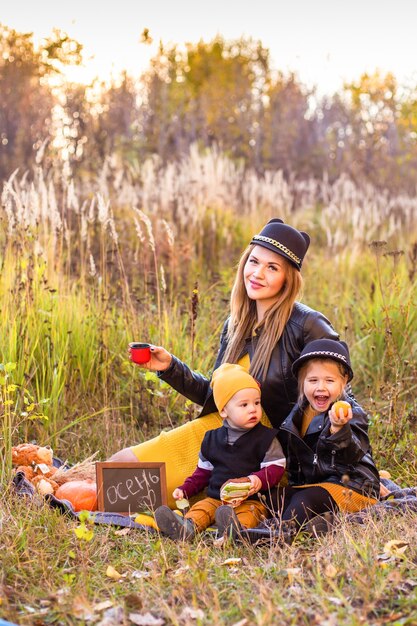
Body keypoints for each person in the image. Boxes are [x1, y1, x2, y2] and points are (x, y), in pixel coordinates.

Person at [109, 218, 339, 507]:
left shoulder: (307, 324)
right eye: (253, 261)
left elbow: (338, 394)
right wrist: (169, 367)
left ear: (288, 279)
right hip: (219, 435)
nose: (257, 273)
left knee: (125, 491)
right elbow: (217, 397)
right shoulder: (236, 324)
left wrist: (330, 466)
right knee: (119, 465)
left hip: (263, 452)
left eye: (272, 268)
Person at [153, 363, 286, 540]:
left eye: (257, 402)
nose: (253, 409)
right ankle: (186, 527)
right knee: (203, 508)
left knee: (250, 513)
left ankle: (237, 532)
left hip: (251, 500)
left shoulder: (266, 438)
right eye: (244, 405)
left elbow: (276, 468)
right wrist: (185, 490)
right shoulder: (211, 439)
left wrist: (257, 480)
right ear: (223, 410)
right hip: (217, 498)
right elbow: (202, 473)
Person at [267, 338, 380, 538]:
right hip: (318, 485)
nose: (320, 387)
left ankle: (278, 534)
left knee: (304, 500)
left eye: (329, 380)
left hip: (353, 485)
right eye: (312, 381)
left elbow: (352, 455)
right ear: (302, 383)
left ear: (343, 382)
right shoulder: (296, 416)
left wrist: (338, 429)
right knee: (275, 498)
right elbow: (296, 463)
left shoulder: (352, 414)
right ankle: (243, 523)